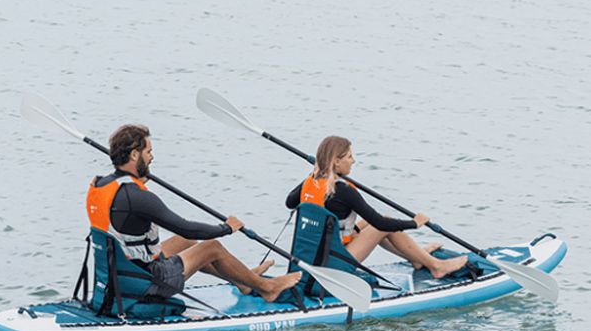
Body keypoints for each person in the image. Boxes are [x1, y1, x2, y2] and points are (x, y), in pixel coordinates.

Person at [87, 124, 303, 303]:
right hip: (145, 283)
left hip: (120, 274)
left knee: (185, 242)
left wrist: (137, 181)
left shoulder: (102, 185)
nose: (152, 157)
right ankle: (268, 287)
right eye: (148, 151)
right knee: (212, 247)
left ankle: (243, 282)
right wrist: (226, 228)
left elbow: (130, 220)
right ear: (135, 155)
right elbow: (186, 227)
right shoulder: (137, 196)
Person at [285, 135, 468, 280]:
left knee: (375, 223)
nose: (354, 161)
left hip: (314, 256)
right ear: (336, 162)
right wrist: (414, 223)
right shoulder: (343, 190)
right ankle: (437, 266)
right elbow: (379, 223)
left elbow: (290, 202)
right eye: (349, 156)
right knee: (383, 224)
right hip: (334, 263)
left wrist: (314, 173)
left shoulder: (309, 183)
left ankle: (416, 258)